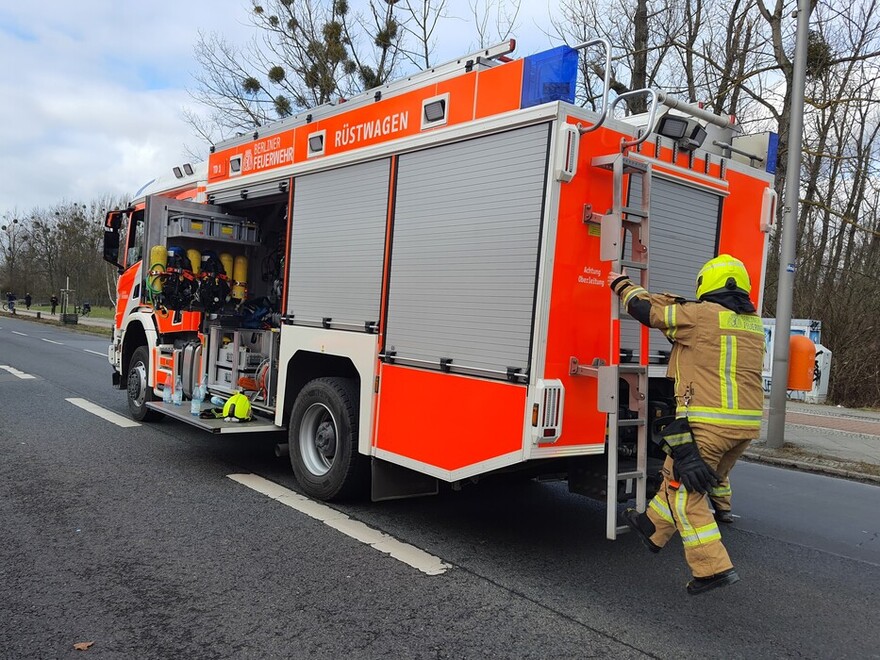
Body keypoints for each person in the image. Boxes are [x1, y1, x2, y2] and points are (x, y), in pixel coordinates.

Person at [608, 254, 764, 595]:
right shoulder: (751, 324)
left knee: (684, 495)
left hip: (709, 424)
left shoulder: (701, 316)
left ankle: (712, 568)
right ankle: (652, 528)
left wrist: (621, 284)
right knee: (675, 474)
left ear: (707, 285)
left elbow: (646, 312)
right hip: (744, 427)